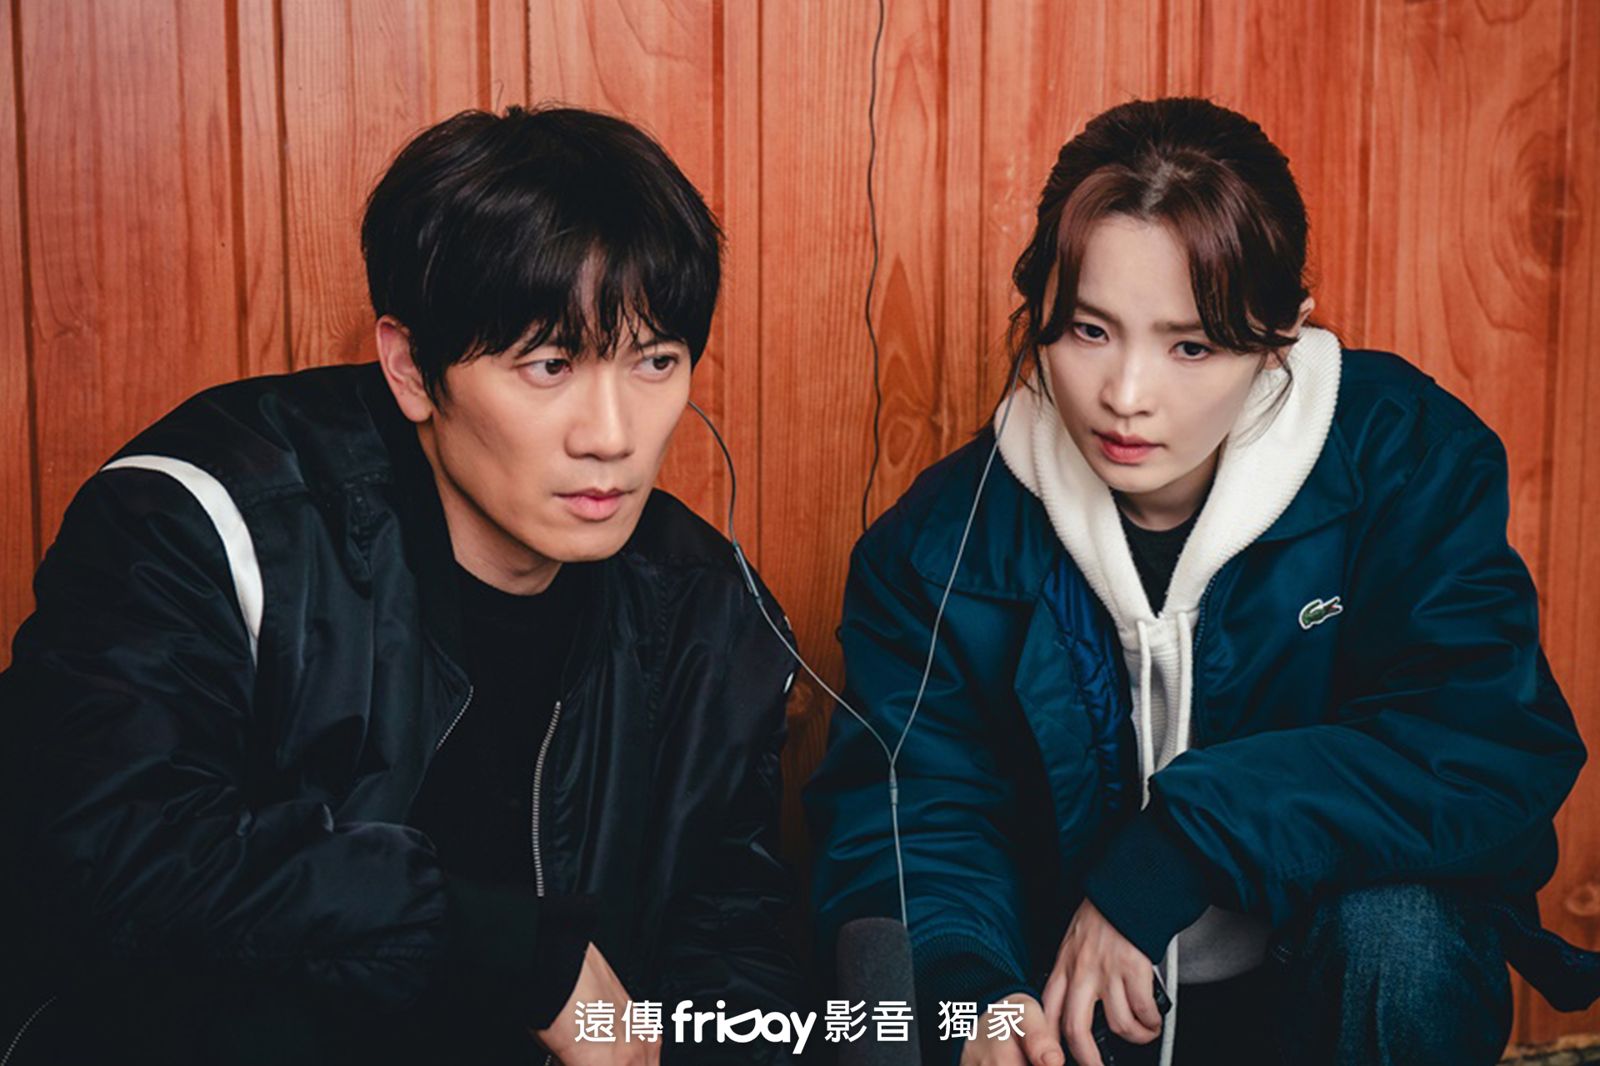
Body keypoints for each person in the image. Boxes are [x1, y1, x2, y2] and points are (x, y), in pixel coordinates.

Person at [0, 105, 806, 1065]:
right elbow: (109, 852)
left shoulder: (711, 614)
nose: (612, 435)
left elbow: (729, 936)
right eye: (549, 365)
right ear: (412, 368)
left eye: (655, 362)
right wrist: (502, 948)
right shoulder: (205, 522)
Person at [807, 97, 1600, 1066]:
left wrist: (1179, 846)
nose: (1126, 395)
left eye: (1191, 345)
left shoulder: (1401, 456)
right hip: (1080, 1013)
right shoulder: (939, 545)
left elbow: (1477, 743)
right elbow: (911, 815)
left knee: (1399, 933)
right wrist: (972, 991)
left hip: (1327, 991)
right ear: (1037, 303)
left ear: (1281, 332)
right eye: (1088, 330)